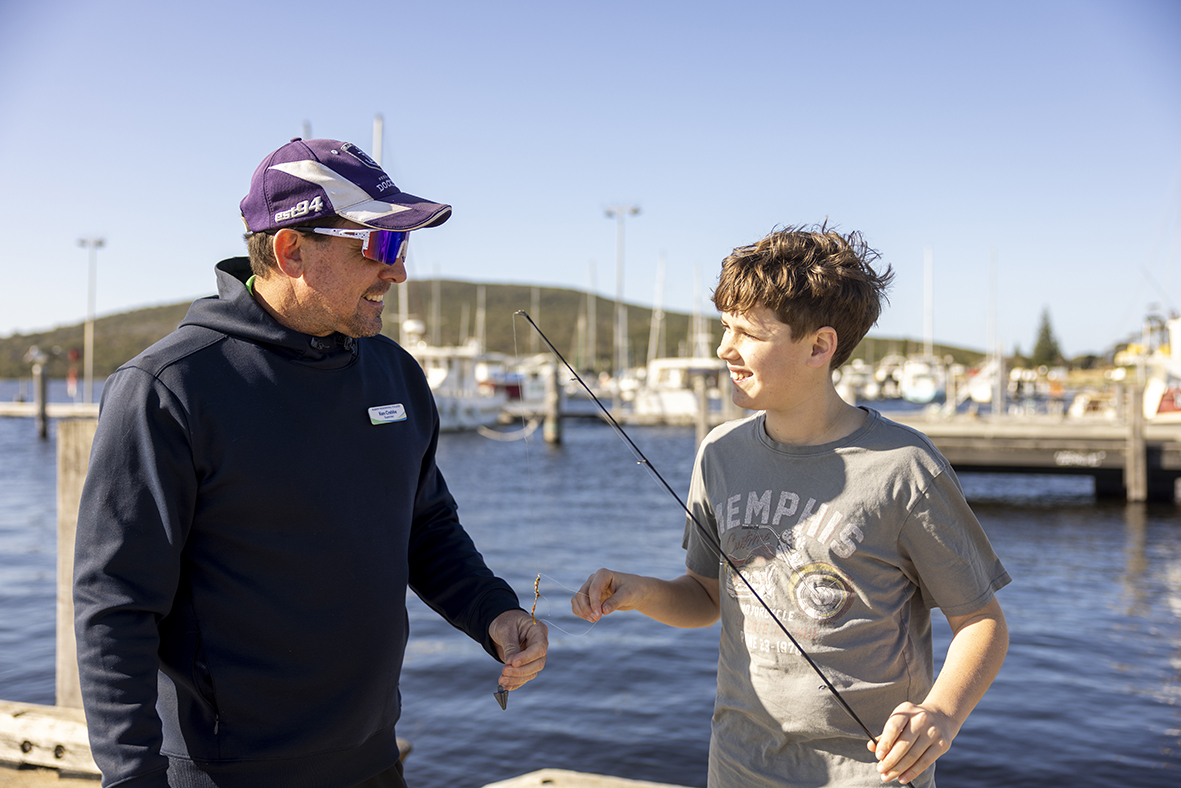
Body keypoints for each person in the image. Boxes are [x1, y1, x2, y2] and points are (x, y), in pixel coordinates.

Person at [73, 138, 548, 788]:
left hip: (372, 759)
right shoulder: (169, 387)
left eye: (402, 246)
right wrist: (131, 779)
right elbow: (116, 606)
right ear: (292, 249)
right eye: (378, 246)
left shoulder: (394, 373)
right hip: (227, 773)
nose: (399, 272)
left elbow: (425, 528)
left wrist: (493, 612)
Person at [573, 225, 1009, 787]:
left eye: (747, 333)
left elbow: (981, 622)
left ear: (819, 346)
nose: (724, 349)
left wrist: (941, 714)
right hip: (737, 764)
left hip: (871, 774)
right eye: (724, 328)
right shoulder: (719, 453)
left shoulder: (905, 467)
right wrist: (639, 592)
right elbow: (708, 597)